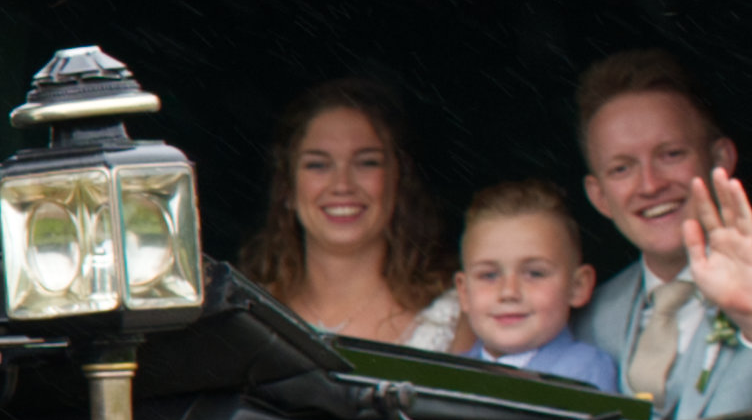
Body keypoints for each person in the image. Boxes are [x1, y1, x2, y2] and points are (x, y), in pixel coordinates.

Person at [573, 48, 752, 419]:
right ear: (599, 196)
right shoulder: (589, 317)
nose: (649, 185)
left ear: (721, 159)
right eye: (621, 169)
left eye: (671, 154)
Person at [239, 75, 458, 347]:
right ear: (288, 189)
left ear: (398, 180)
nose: (342, 185)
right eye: (318, 165)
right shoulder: (245, 316)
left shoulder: (450, 320)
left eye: (367, 162)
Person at [447, 176, 624, 392]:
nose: (509, 292)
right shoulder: (447, 373)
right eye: (489, 276)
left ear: (577, 286)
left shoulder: (584, 372)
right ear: (464, 293)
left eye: (535, 273)